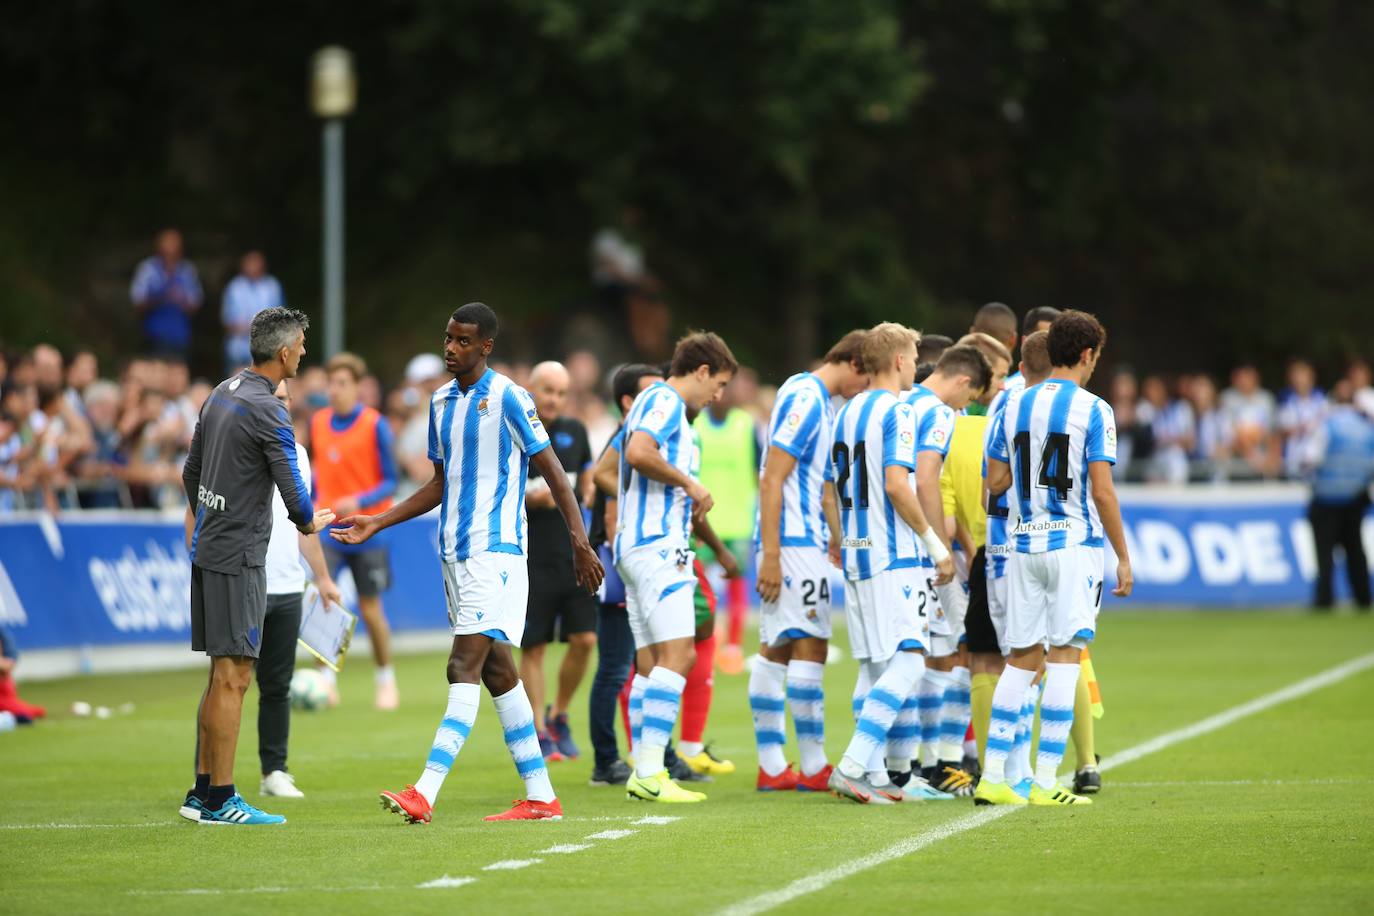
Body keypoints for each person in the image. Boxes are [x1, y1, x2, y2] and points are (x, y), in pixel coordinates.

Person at [334, 302, 602, 824]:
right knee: (499, 672)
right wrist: (378, 521)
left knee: (462, 665)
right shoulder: (440, 402)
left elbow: (553, 471)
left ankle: (425, 792)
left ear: (486, 347)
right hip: (454, 553)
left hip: (495, 551)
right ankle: (542, 796)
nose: (451, 348)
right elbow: (439, 483)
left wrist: (580, 541)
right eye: (448, 338)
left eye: (462, 341)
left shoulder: (509, 397)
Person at [178, 307, 334, 826]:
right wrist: (310, 521)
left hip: (210, 548)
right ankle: (221, 799)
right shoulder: (269, 409)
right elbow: (294, 491)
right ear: (284, 352)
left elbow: (191, 473)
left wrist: (212, 517)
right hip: (240, 556)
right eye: (302, 346)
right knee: (235, 677)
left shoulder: (221, 392)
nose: (304, 354)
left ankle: (201, 792)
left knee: (219, 673)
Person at [978, 309, 1133, 807]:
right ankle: (1046, 781)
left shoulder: (1013, 404)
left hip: (1023, 545)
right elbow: (1102, 492)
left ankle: (992, 776)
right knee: (1065, 658)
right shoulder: (1094, 409)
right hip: (1072, 546)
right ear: (1086, 354)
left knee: (1021, 660)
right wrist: (1123, 556)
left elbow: (995, 481)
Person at [826, 323, 954, 805]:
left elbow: (831, 489)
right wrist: (935, 545)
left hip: (858, 551)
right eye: (914, 358)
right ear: (899, 361)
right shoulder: (897, 411)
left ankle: (875, 774)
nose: (916, 367)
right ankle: (852, 765)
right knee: (911, 659)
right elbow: (898, 484)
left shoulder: (847, 411)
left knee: (874, 666)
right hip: (892, 554)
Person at [617, 331, 737, 803]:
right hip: (657, 548)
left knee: (651, 663)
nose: (719, 396)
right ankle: (651, 771)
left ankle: (643, 767)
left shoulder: (665, 409)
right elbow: (637, 453)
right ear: (702, 371)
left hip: (641, 547)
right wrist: (689, 484)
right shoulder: (664, 400)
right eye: (719, 384)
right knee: (681, 655)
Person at [750, 329, 868, 792]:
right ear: (854, 364)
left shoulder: (819, 400)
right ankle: (813, 765)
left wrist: (834, 536)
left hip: (804, 538)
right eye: (867, 379)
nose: (864, 390)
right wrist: (772, 554)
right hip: (792, 542)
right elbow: (771, 477)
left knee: (777, 647)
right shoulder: (806, 397)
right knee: (810, 645)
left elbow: (819, 485)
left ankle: (773, 766)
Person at [899, 344, 991, 799]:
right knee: (947, 653)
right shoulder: (936, 413)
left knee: (922, 655)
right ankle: (928, 765)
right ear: (962, 381)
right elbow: (925, 482)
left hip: (891, 547)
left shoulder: (898, 403)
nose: (965, 409)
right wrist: (938, 547)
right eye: (968, 398)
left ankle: (917, 764)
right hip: (920, 552)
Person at [964, 331, 1050, 775]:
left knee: (1002, 660)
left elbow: (988, 492)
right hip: (1037, 548)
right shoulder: (1064, 408)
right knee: (1033, 661)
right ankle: (1018, 770)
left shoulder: (1003, 407)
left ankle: (1002, 768)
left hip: (998, 549)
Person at [257, 379, 343, 797]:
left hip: (289, 584)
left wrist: (323, 578)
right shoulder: (237, 448)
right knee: (227, 682)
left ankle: (274, 772)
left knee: (278, 685)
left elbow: (303, 523)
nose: (280, 405)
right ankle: (210, 779)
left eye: (284, 398)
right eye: (272, 398)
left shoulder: (299, 455)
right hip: (245, 581)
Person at [586, 364, 664, 786]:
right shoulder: (625, 440)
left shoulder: (640, 436)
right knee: (616, 667)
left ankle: (655, 754)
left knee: (648, 663)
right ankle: (606, 760)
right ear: (628, 402)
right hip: (621, 564)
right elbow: (602, 497)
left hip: (636, 561)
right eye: (652, 392)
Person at [311, 352, 401, 710]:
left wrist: (359, 500)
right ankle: (326, 682)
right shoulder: (318, 423)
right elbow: (318, 471)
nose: (334, 390)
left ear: (357, 387)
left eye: (342, 383)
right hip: (329, 529)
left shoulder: (375, 424)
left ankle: (385, 679)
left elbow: (391, 480)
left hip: (368, 530)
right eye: (330, 383)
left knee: (370, 607)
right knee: (325, 603)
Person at [519, 361, 597, 761]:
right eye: (547, 390)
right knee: (533, 647)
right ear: (530, 388)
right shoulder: (514, 432)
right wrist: (530, 499)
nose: (554, 399)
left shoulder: (575, 431)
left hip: (574, 556)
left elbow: (588, 476)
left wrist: (589, 490)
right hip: (530, 559)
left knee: (585, 640)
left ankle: (559, 714)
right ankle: (537, 728)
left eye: (561, 392)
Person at [693, 374, 761, 675]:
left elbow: (759, 470)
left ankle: (733, 646)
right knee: (696, 581)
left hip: (738, 521)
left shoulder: (746, 425)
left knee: (737, 584)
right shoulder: (696, 423)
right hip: (702, 521)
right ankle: (701, 636)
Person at [1303, 380, 1374, 611]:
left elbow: (1310, 459)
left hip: (1326, 498)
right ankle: (1363, 597)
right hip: (1355, 497)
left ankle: (1325, 599)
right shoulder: (1367, 428)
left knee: (1324, 553)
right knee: (1355, 550)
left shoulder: (1326, 425)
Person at [130, 228, 203, 361]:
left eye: (174, 251)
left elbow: (196, 303)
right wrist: (160, 297)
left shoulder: (187, 270)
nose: (170, 255)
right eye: (166, 251)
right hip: (153, 336)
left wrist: (180, 300)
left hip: (180, 336)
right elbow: (137, 301)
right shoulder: (147, 269)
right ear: (158, 249)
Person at [221, 250, 285, 373]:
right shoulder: (234, 287)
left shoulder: (272, 286)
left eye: (256, 262)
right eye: (249, 262)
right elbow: (227, 320)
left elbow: (281, 319)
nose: (252, 266)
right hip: (238, 351)